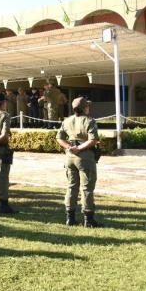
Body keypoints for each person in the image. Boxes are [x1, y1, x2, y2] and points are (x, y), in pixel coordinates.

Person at [56, 97, 103, 228]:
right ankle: (88, 220)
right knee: (87, 188)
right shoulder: (89, 121)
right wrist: (79, 148)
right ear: (84, 108)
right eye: (87, 106)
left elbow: (59, 138)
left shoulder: (67, 120)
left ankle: (70, 218)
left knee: (71, 186)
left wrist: (69, 147)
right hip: (85, 157)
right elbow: (93, 140)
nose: (89, 108)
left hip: (70, 156)